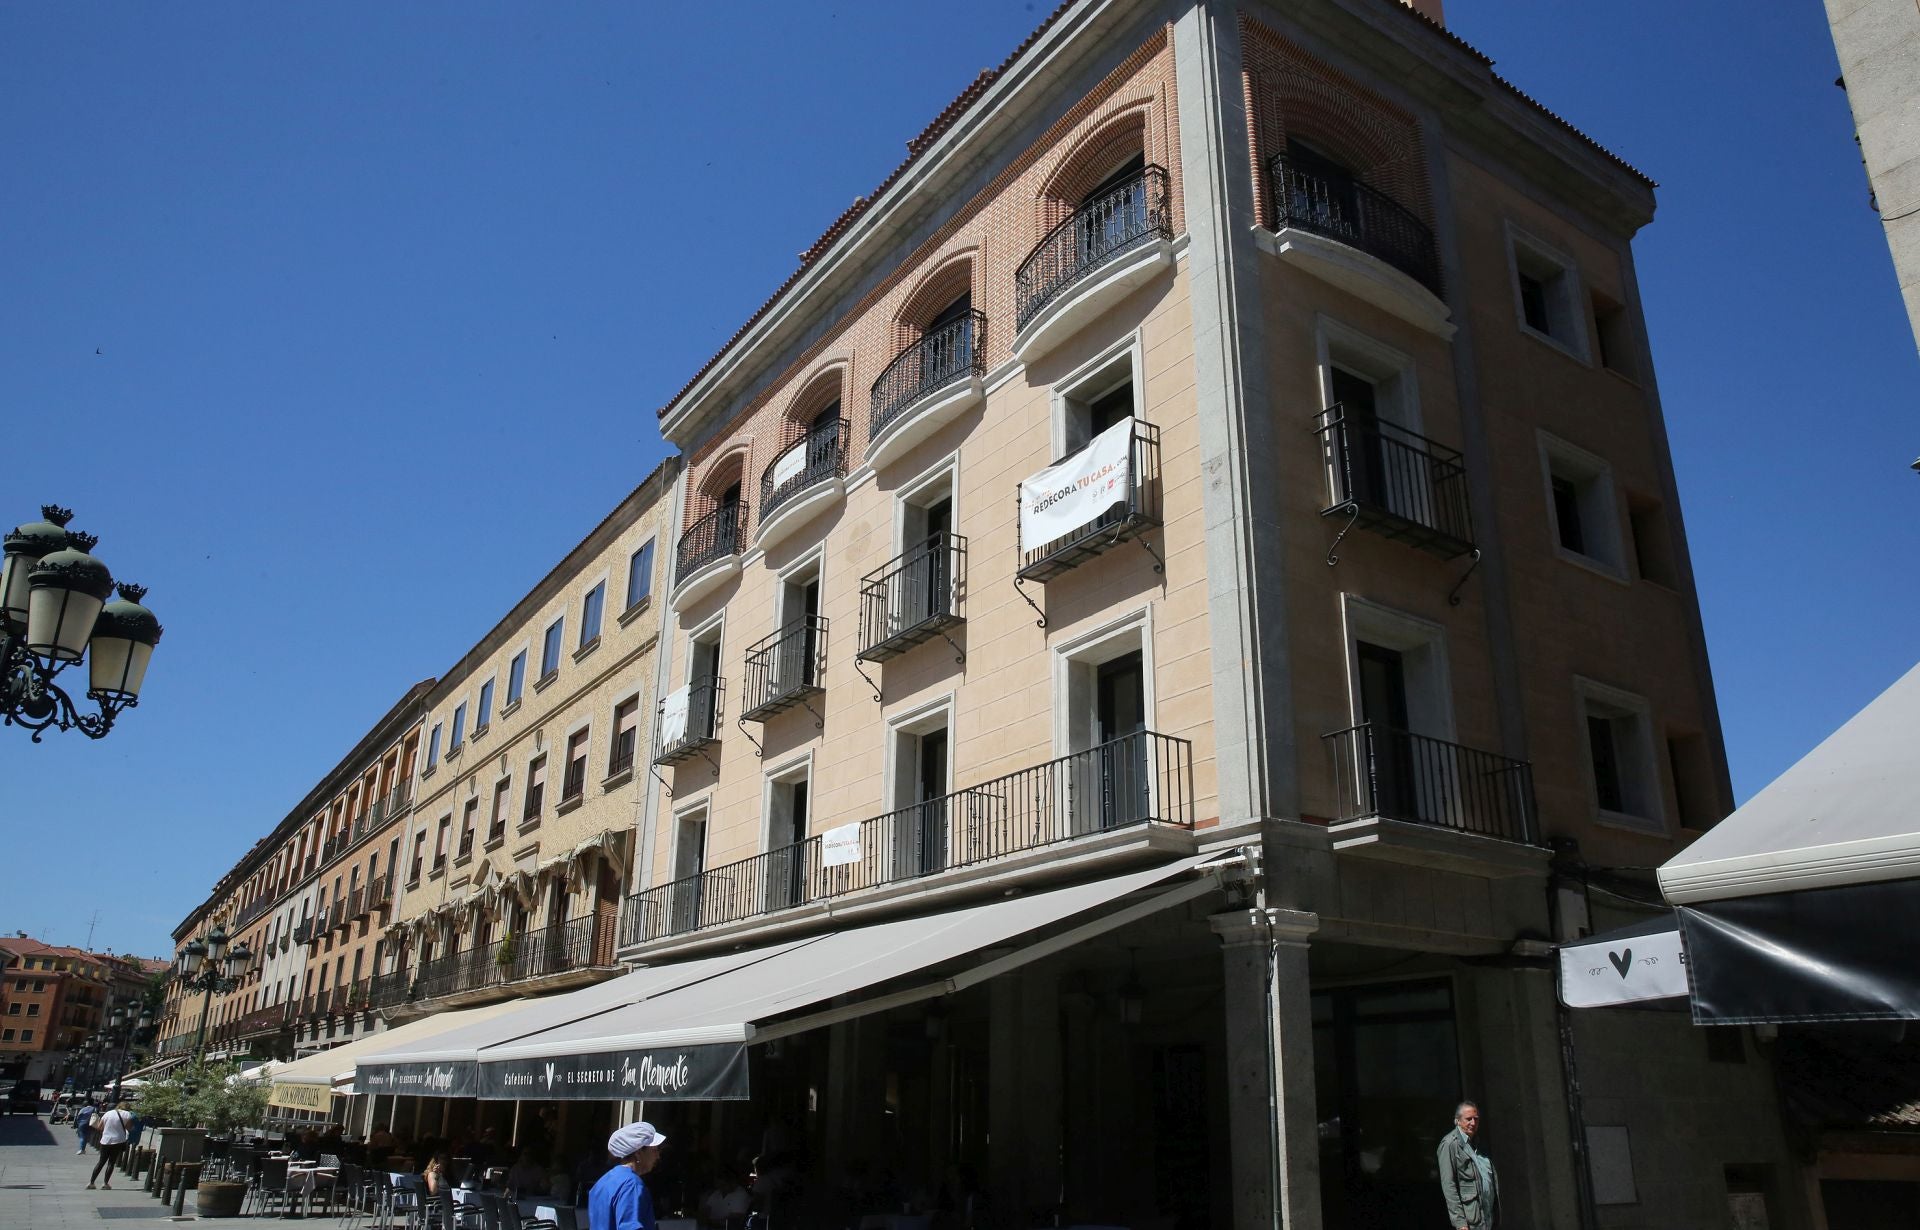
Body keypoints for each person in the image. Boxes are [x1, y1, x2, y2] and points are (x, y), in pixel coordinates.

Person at [588, 1121, 666, 1230]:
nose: (658, 1156)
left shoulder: (603, 1182)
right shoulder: (632, 1185)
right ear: (638, 1153)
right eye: (654, 1150)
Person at [1437, 1100, 1498, 1229]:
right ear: (1457, 1121)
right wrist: (1460, 1223)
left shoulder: (1479, 1142)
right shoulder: (1450, 1144)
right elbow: (1448, 1185)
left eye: (1476, 1119)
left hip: (1487, 1219)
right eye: (1468, 1119)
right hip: (1470, 1222)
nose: (1473, 1123)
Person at [87, 1101, 135, 1190]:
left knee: (101, 1162)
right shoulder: (128, 1114)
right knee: (111, 1163)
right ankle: (105, 1183)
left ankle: (91, 1183)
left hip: (105, 1140)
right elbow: (129, 1128)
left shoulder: (108, 1113)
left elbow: (100, 1127)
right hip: (118, 1140)